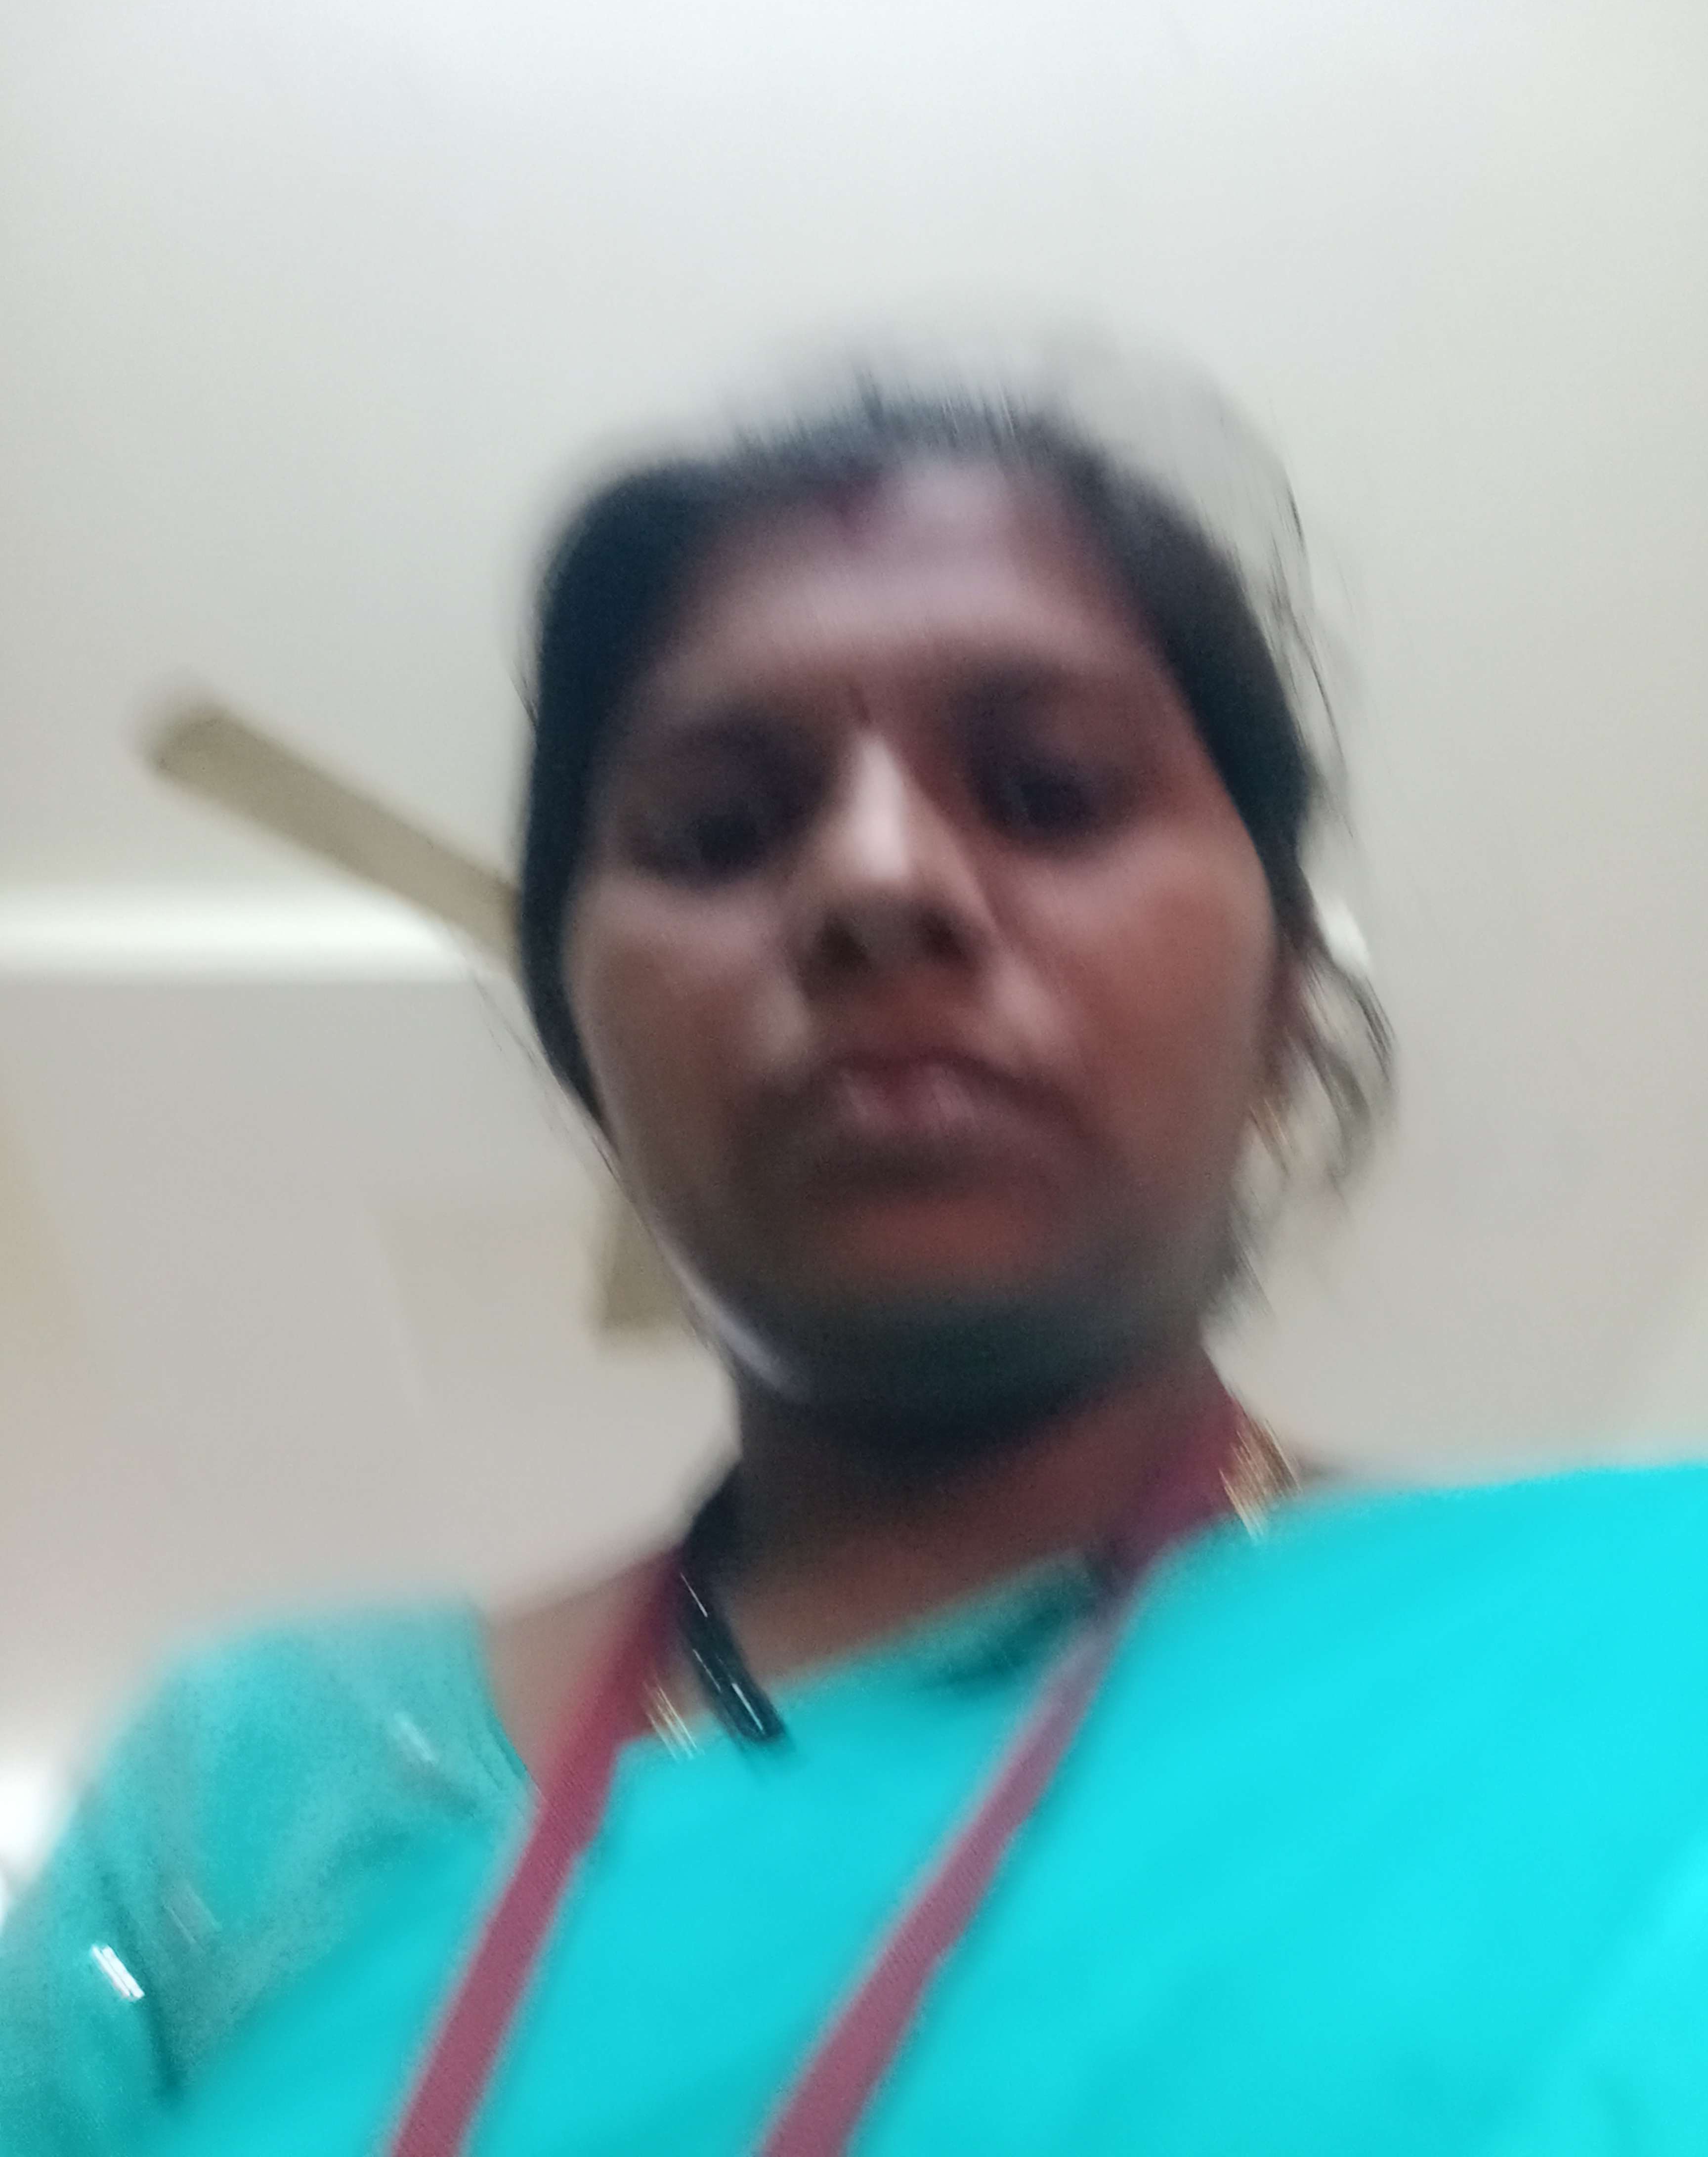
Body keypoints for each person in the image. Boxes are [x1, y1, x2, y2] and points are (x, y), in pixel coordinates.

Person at [5, 366, 1708, 2157]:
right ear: (586, 1051)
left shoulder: (1648, 1669)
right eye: (718, 831)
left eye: (1049, 791)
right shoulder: (243, 1810)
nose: (877, 882)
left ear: (1285, 1001)